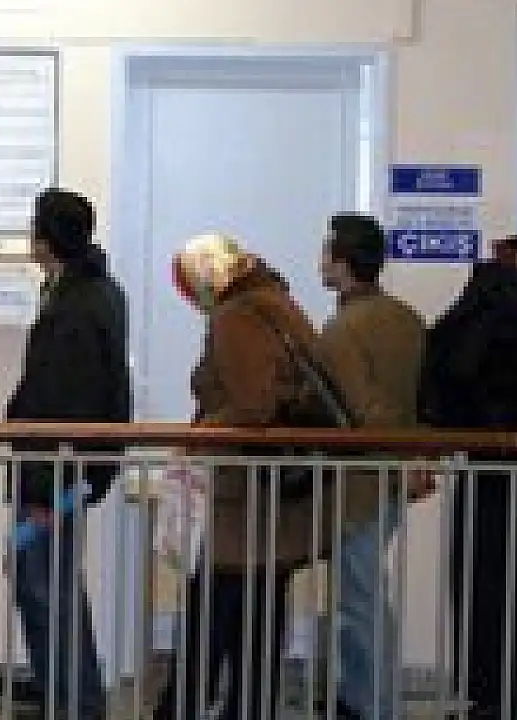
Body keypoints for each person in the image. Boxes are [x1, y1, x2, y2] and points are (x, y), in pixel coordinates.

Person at [155, 233, 356, 720]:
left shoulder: (236, 317)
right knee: (259, 615)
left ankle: (184, 706)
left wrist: (200, 433)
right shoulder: (276, 303)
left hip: (242, 495)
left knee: (215, 610)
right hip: (274, 492)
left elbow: (253, 406)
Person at [419, 239, 517, 720]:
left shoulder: (473, 308)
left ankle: (483, 694)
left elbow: (441, 377)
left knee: (478, 582)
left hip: (479, 462)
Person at [5, 188, 131, 720]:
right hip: (66, 471)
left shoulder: (77, 307)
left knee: (45, 583)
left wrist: (41, 487)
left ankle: (74, 699)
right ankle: (60, 689)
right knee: (40, 578)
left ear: (48, 237)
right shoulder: (90, 292)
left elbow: (63, 400)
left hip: (57, 474)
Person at [317, 213, 426, 720]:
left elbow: (363, 410)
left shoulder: (342, 330)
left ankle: (375, 704)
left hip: (359, 476)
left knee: (360, 598)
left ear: (343, 263)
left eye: (327, 252)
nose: (321, 260)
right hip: (393, 474)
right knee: (362, 592)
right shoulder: (407, 318)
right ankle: (361, 696)